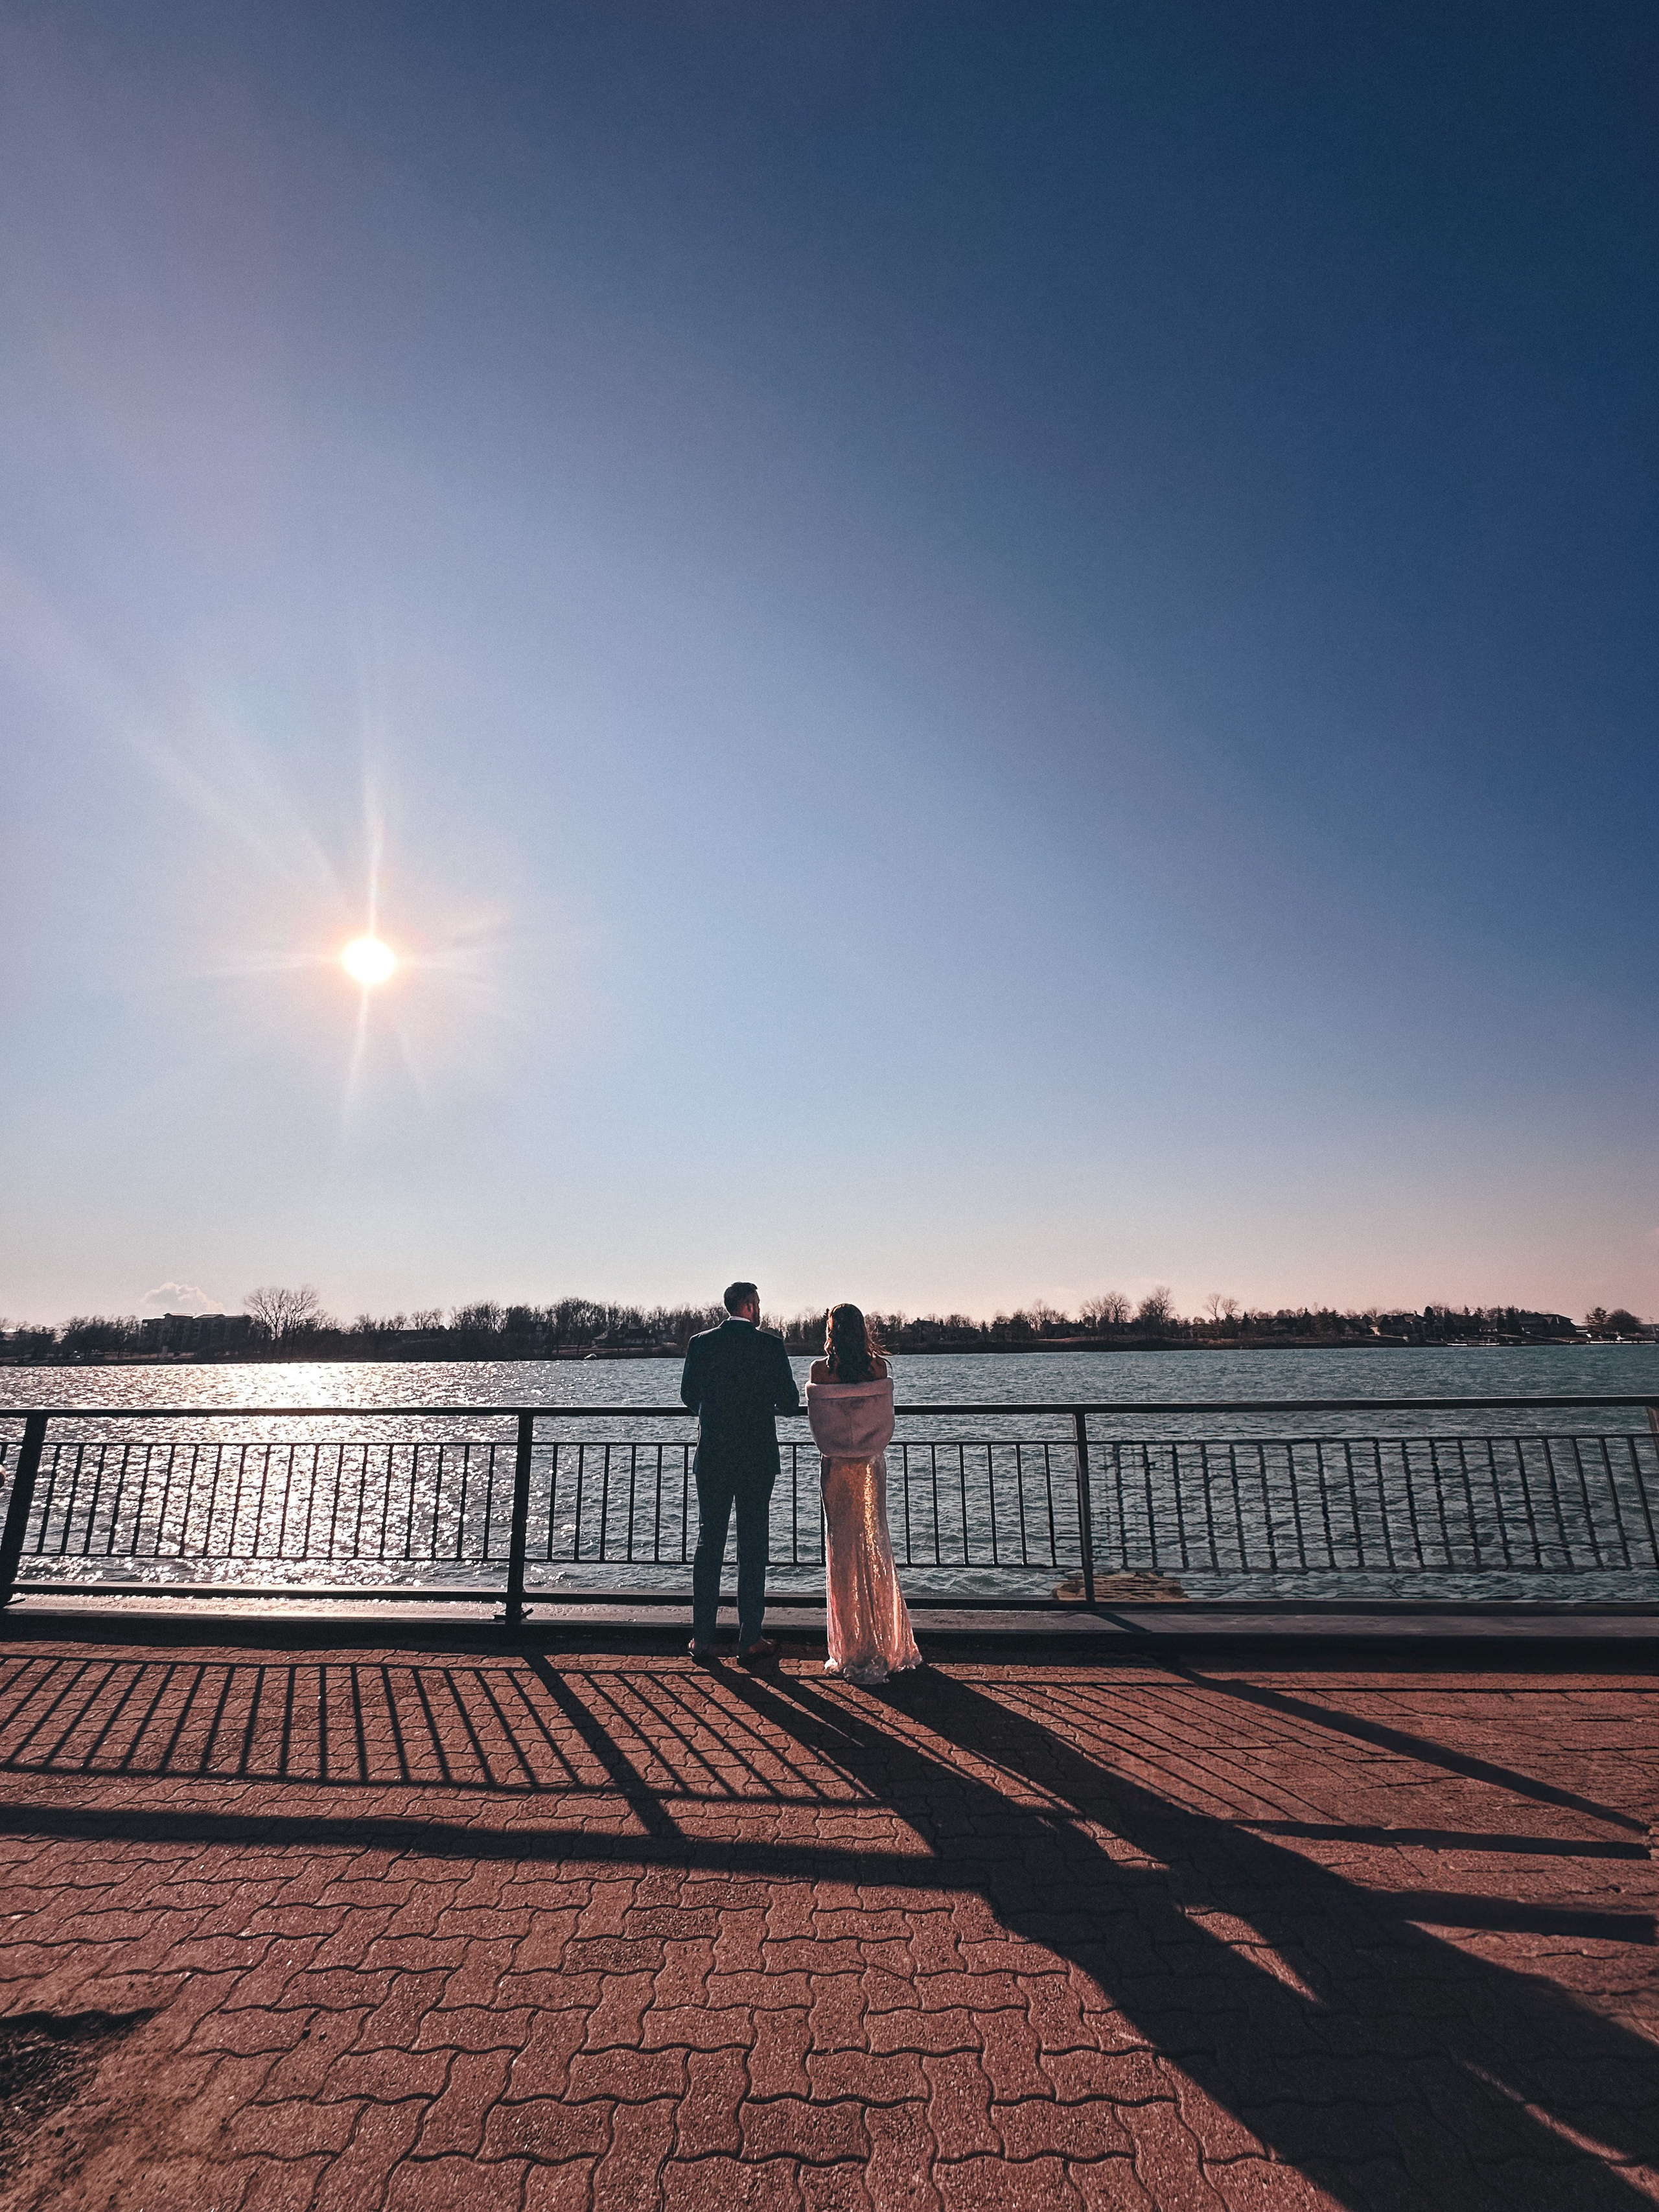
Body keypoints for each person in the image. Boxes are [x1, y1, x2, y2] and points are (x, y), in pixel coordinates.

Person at [680, 1281, 800, 1662]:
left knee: (708, 1544)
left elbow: (688, 1396)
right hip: (756, 1457)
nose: (760, 1309)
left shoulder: (701, 1343)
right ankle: (749, 1639)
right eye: (758, 1303)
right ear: (749, 1306)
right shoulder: (769, 1345)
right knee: (752, 1546)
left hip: (713, 1455)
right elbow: (791, 1402)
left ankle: (702, 1639)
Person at [806, 1303, 922, 1685]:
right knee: (875, 1545)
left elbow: (819, 1427)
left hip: (837, 1469)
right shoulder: (878, 1370)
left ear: (832, 1331)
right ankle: (884, 1641)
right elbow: (883, 1422)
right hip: (870, 1467)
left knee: (842, 1550)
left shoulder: (820, 1372)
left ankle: (851, 1645)